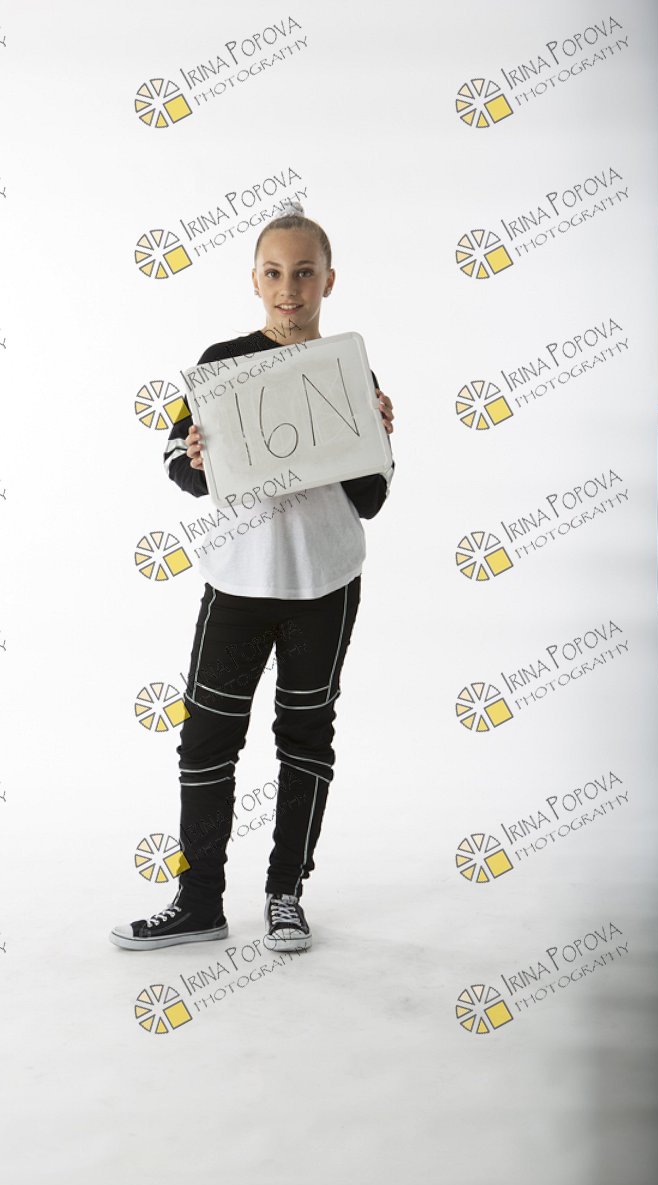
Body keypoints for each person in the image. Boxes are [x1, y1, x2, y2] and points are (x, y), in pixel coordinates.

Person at [110, 201, 394, 954]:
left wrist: (370, 435)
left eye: (303, 273)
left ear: (328, 280)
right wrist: (198, 460)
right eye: (274, 273)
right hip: (237, 584)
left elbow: (371, 498)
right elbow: (177, 464)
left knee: (305, 737)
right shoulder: (220, 362)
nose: (288, 289)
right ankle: (199, 901)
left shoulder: (350, 369)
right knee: (206, 739)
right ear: (255, 280)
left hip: (323, 586)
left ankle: (285, 895)